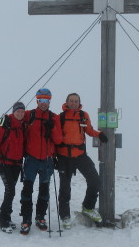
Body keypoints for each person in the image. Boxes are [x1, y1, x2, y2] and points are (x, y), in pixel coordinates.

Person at [56, 92, 108, 229]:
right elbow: (54, 136)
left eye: (76, 101)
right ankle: (65, 216)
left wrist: (99, 135)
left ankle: (88, 207)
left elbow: (89, 130)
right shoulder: (60, 117)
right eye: (71, 101)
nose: (74, 103)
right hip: (63, 156)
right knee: (65, 188)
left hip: (80, 154)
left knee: (95, 181)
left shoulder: (83, 116)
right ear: (66, 102)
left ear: (79, 103)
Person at [19, 88, 63, 235]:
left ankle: (40, 217)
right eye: (41, 100)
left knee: (44, 191)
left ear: (50, 101)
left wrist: (53, 129)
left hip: (47, 160)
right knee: (27, 190)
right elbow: (15, 117)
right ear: (37, 100)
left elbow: (58, 140)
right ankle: (26, 219)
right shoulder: (29, 115)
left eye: (46, 100)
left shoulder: (54, 118)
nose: (43, 103)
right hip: (31, 159)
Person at [0, 101, 26, 233]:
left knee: (9, 192)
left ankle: (7, 217)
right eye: (18, 111)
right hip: (5, 163)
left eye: (22, 111)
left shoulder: (22, 125)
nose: (20, 113)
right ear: (14, 112)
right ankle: (2, 219)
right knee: (10, 190)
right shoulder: (5, 122)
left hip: (17, 164)